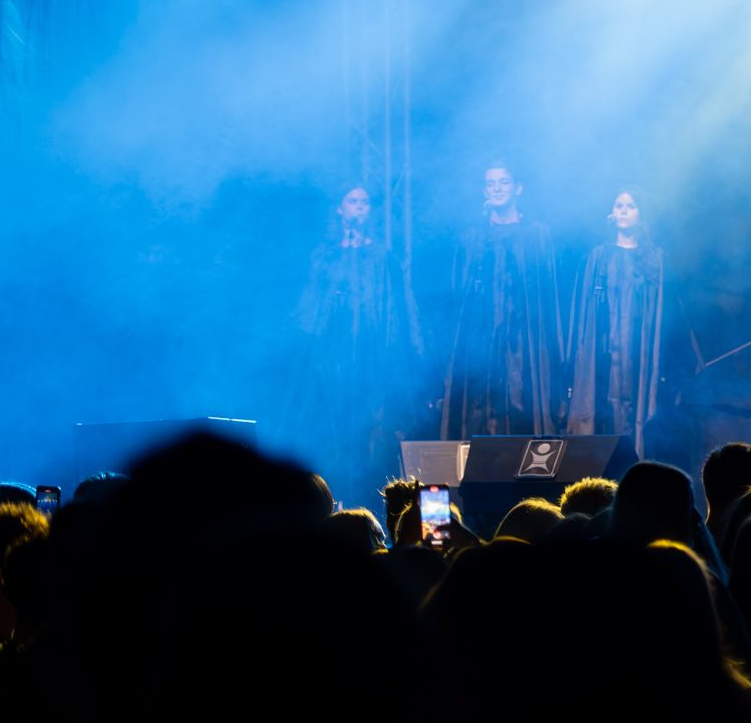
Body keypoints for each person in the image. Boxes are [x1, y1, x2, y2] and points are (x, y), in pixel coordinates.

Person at [286, 185, 423, 501]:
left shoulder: (382, 257)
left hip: (369, 360)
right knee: (330, 431)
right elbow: (309, 307)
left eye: (364, 202)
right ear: (340, 208)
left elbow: (399, 312)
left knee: (369, 434)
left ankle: (367, 502)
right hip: (332, 359)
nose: (359, 206)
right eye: (353, 201)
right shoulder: (325, 255)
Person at [439, 160, 564, 440]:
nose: (496, 189)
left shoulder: (537, 235)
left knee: (523, 409)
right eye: (490, 183)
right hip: (482, 342)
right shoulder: (473, 237)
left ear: (518, 188)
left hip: (525, 342)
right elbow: (458, 301)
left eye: (503, 182)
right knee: (481, 411)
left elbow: (549, 297)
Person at [566, 188, 697, 455]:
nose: (623, 211)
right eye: (619, 205)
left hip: (641, 361)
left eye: (631, 206)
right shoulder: (596, 258)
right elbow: (582, 318)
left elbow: (672, 317)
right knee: (601, 415)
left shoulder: (657, 261)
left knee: (638, 418)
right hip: (603, 361)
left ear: (642, 214)